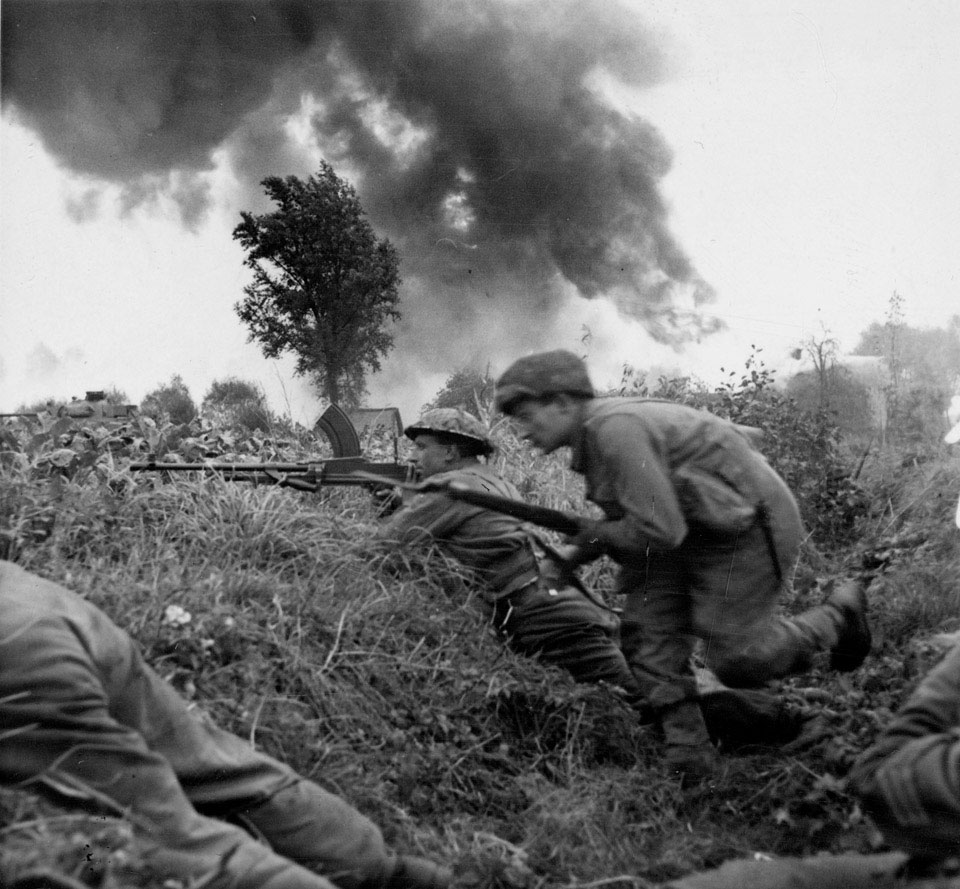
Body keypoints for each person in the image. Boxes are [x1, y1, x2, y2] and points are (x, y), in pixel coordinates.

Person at [493, 350, 872, 779]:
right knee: (647, 634)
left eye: (527, 416)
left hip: (744, 523)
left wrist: (592, 539)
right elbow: (636, 518)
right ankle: (691, 759)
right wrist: (572, 557)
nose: (522, 433)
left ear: (562, 402)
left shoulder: (616, 430)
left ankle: (836, 618)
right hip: (689, 529)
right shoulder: (593, 438)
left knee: (736, 658)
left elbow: (658, 530)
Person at [374, 408, 812, 752]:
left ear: (451, 451)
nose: (415, 457)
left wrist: (392, 507)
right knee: (660, 679)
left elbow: (385, 546)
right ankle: (790, 705)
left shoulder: (449, 486)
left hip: (546, 614)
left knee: (648, 700)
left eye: (423, 447)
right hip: (562, 600)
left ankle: (790, 719)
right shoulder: (490, 480)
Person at [0, 559, 451, 889]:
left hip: (13, 647)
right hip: (41, 606)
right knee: (215, 772)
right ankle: (389, 875)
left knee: (153, 839)